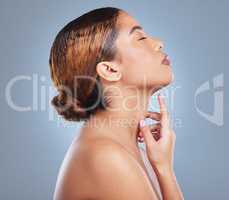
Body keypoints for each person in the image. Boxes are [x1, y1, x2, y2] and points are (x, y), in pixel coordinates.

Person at [49, 6, 184, 200]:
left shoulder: (135, 153)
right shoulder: (106, 157)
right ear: (110, 70)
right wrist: (165, 172)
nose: (159, 43)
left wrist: (163, 167)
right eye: (141, 38)